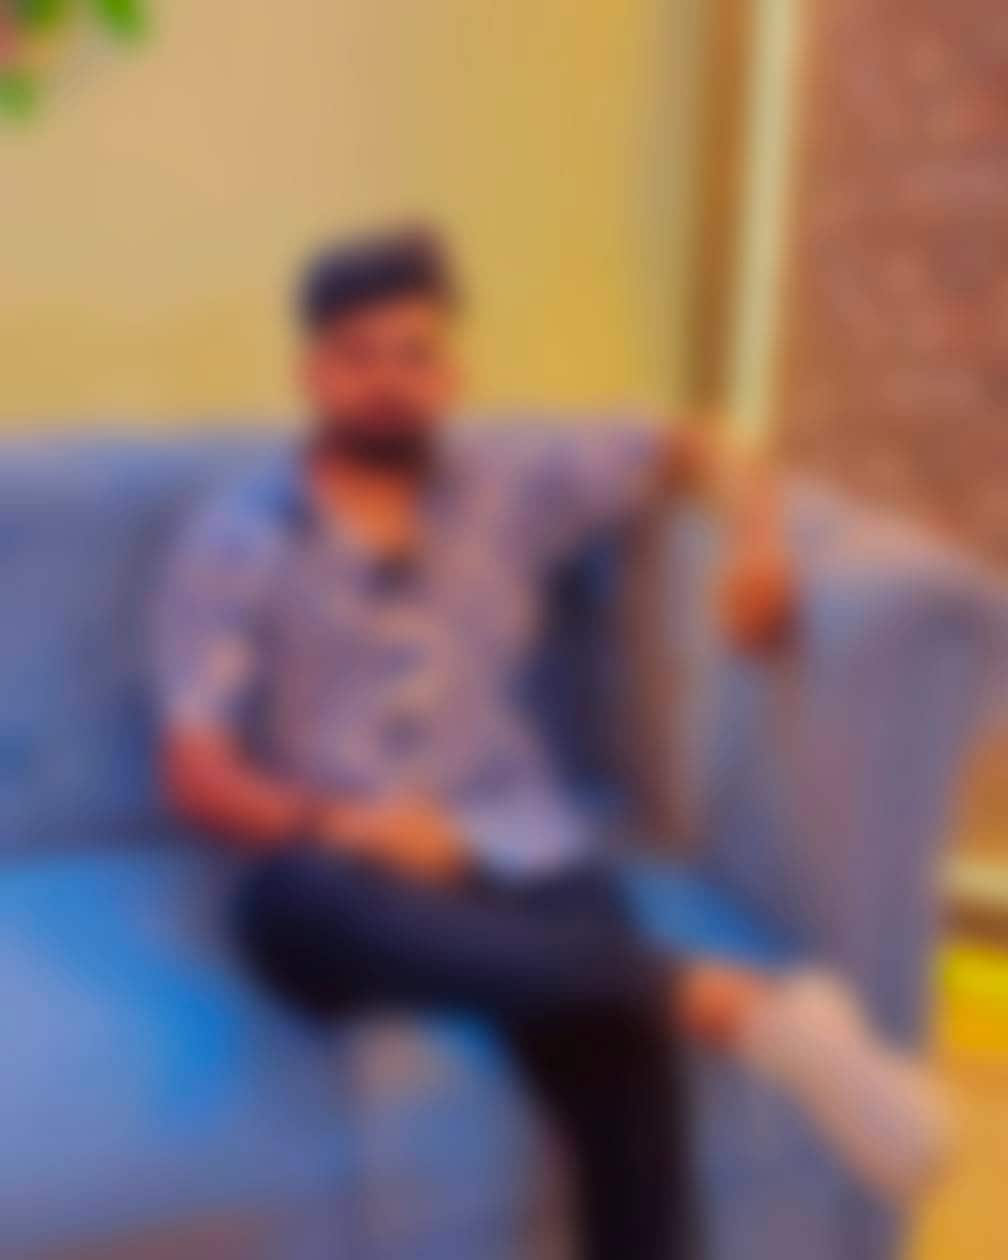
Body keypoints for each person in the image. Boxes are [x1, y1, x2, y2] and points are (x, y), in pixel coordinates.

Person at [154, 226, 947, 1260]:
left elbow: (698, 438)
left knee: (619, 1049)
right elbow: (196, 771)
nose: (388, 380)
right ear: (313, 372)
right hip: (343, 863)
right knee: (286, 906)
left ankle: (695, 1022)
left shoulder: (509, 484)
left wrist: (759, 543)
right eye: (358, 355)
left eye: (414, 353)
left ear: (451, 372)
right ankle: (748, 1006)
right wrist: (345, 825)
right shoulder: (239, 535)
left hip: (513, 842)